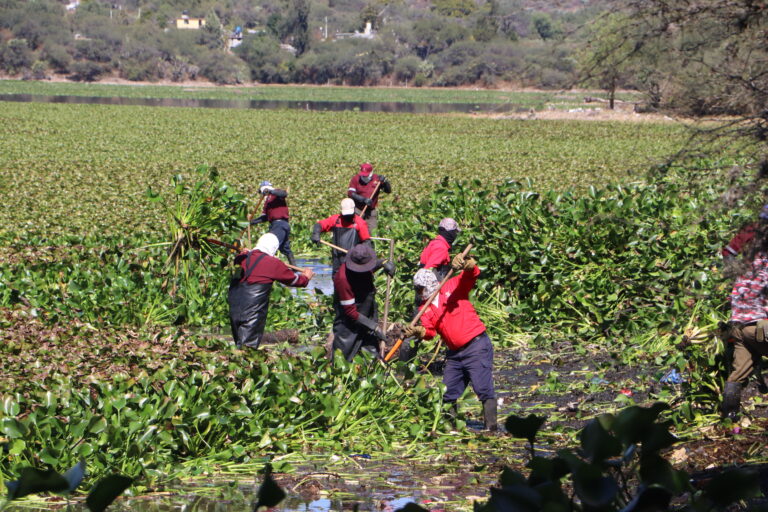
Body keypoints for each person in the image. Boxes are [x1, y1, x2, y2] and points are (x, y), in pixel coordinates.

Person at [405, 253, 498, 431]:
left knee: (483, 388)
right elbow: (430, 332)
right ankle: (452, 427)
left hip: (475, 346)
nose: (419, 293)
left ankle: (491, 429)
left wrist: (469, 265)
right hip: (455, 354)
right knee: (447, 392)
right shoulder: (424, 308)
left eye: (420, 288)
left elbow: (471, 276)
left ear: (429, 285)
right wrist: (419, 331)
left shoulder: (452, 286)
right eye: (417, 289)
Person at [228, 233, 314, 350]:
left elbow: (244, 260)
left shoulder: (241, 258)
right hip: (253, 309)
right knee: (248, 347)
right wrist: (306, 277)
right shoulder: (273, 263)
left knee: (239, 341)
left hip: (235, 305)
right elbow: (295, 281)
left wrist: (245, 253)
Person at [721, 223, 768, 419]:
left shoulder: (745, 268)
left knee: (737, 376)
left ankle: (729, 418)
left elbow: (727, 252)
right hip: (761, 327)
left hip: (738, 329)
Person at [332, 244, 395, 361]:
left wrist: (383, 262)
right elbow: (350, 312)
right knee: (342, 361)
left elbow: (372, 266)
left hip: (367, 315)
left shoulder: (364, 267)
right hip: (348, 324)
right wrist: (374, 327)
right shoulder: (342, 279)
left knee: (371, 358)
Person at [311, 198, 371, 275]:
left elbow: (366, 242)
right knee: (337, 278)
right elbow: (319, 225)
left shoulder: (360, 223)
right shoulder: (336, 220)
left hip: (353, 258)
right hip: (337, 257)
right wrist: (316, 233)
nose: (347, 217)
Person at [251, 180, 296, 266]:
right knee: (284, 248)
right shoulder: (266, 203)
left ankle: (267, 265)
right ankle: (294, 267)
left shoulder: (276, 194)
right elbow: (264, 218)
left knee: (271, 243)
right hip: (276, 225)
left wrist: (270, 191)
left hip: (280, 224)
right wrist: (252, 222)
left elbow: (284, 193)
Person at [347, 163, 391, 234]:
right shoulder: (355, 179)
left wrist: (385, 182)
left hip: (371, 211)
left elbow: (388, 191)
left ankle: (371, 244)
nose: (364, 177)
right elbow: (350, 193)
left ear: (371, 173)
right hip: (358, 210)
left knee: (373, 232)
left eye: (366, 175)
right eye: (363, 175)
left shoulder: (377, 179)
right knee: (355, 230)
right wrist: (363, 200)